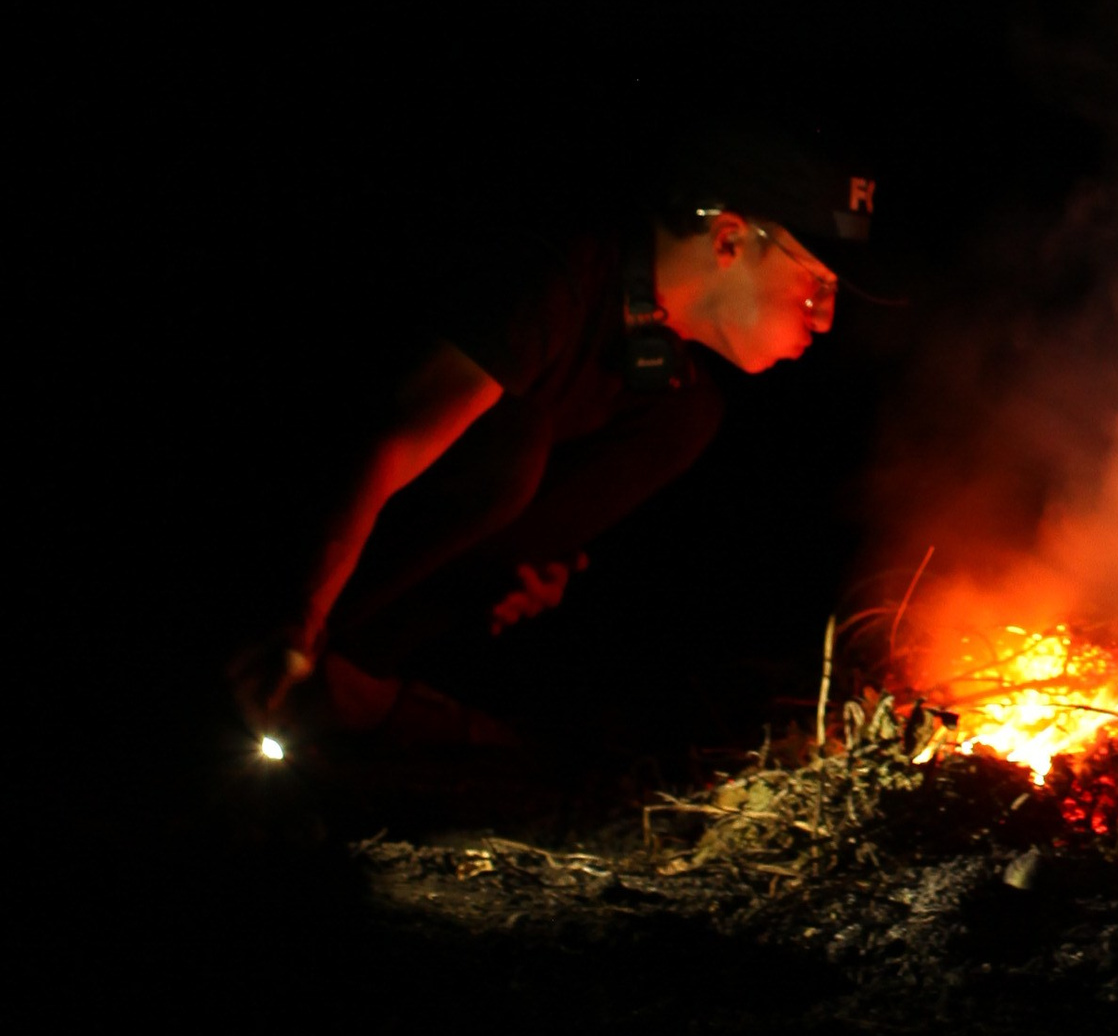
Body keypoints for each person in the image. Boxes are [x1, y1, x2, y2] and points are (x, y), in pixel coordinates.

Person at [226, 115, 877, 758]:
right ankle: (264, 664)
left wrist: (531, 567)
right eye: (818, 280)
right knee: (510, 448)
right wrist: (296, 611)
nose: (824, 318)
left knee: (679, 418)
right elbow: (389, 445)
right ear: (728, 239)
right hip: (269, 541)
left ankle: (352, 686)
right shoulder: (560, 269)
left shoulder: (670, 393)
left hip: (366, 624)